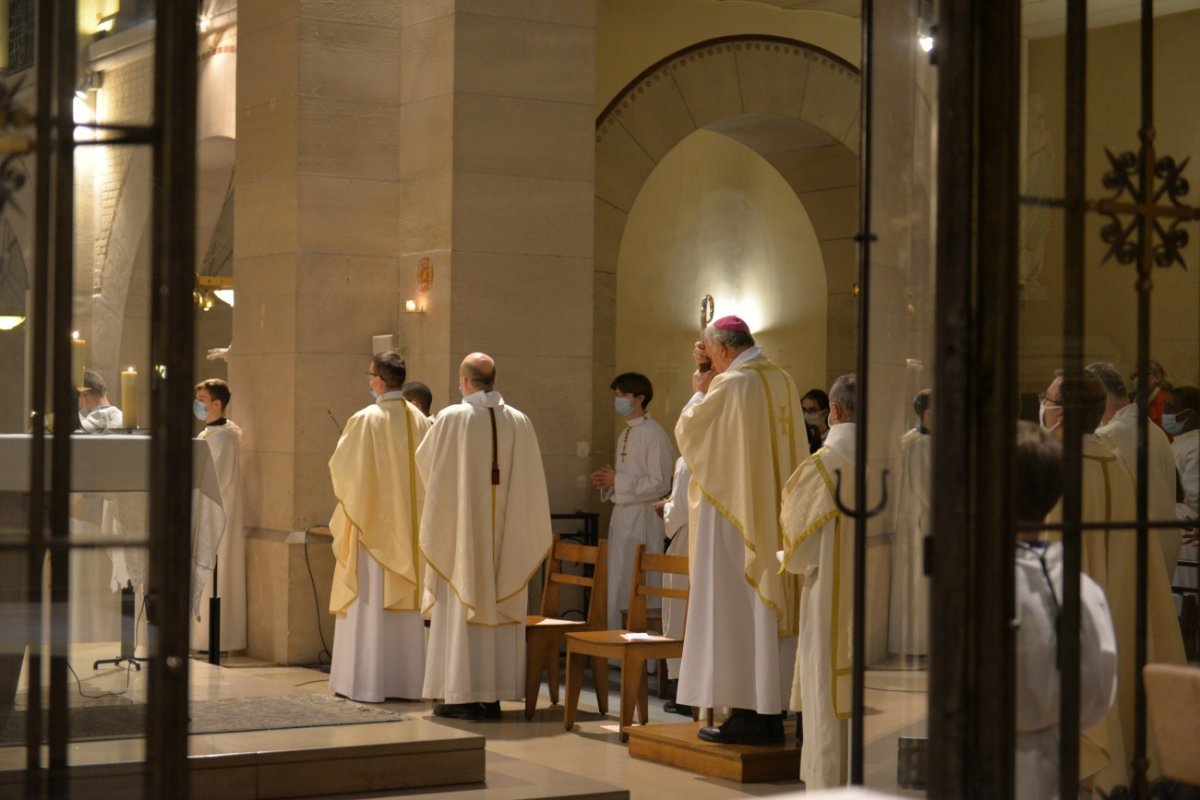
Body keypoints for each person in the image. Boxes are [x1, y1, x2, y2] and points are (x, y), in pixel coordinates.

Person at [1040, 370, 1185, 791]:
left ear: (1060, 413)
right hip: (1117, 607)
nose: (1042, 408)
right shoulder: (1112, 462)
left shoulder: (1059, 469)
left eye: (1046, 401)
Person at [675, 315, 803, 745]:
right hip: (773, 518)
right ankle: (768, 710)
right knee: (762, 615)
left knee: (734, 611)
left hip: (736, 521)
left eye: (710, 354)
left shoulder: (732, 385)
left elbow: (691, 434)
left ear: (724, 351)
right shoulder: (782, 379)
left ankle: (748, 715)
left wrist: (700, 387)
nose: (708, 361)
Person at [418, 353, 552, 720]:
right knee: (498, 605)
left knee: (464, 605)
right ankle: (492, 697)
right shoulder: (520, 422)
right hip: (508, 540)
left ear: (464, 381)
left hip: (464, 538)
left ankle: (461, 696)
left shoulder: (451, 419)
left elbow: (426, 469)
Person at [1012, 421, 1117, 800]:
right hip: (1055, 757)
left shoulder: (975, 586)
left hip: (980, 756)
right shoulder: (1082, 589)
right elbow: (1100, 694)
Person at [327, 352, 432, 702]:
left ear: (378, 380)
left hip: (371, 530)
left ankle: (364, 683)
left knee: (369, 607)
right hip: (411, 532)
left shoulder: (364, 419)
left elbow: (345, 473)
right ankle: (405, 682)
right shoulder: (420, 420)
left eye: (369, 374)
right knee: (402, 614)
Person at [780, 374, 856, 787]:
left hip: (830, 599)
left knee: (827, 695)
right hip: (881, 606)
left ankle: (828, 787)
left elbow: (798, 552)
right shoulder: (892, 461)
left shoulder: (823, 467)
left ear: (835, 411)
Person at [591, 372, 675, 630]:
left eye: (622, 396)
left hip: (643, 518)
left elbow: (660, 482)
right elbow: (625, 478)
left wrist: (619, 480)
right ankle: (616, 644)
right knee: (617, 577)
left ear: (639, 398)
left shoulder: (654, 434)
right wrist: (608, 482)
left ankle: (643, 649)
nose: (618, 401)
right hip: (622, 518)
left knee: (639, 579)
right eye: (616, 396)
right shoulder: (625, 434)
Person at [1088, 361, 1182, 577]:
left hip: (1131, 560)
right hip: (1162, 552)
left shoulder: (1107, 437)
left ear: (1100, 396)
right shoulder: (1155, 431)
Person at [189, 378, 247, 654]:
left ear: (217, 404)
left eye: (201, 399)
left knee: (216, 576)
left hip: (217, 515)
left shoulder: (224, 437)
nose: (197, 404)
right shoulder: (206, 435)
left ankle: (216, 638)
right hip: (203, 511)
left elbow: (215, 479)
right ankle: (198, 637)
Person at [889, 388, 931, 660]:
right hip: (922, 522)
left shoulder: (912, 440)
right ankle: (919, 644)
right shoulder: (919, 444)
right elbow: (927, 487)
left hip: (918, 522)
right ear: (928, 414)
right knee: (920, 584)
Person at [657, 454, 691, 716]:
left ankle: (683, 692)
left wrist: (665, 507)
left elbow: (678, 511)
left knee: (679, 615)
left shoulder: (686, 460)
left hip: (687, 542)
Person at [1164, 386, 1199, 605]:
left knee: (1186, 601)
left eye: (1171, 408)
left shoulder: (1196, 445)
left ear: (1190, 414)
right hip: (1178, 524)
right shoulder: (1181, 442)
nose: (1165, 414)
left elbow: (1195, 497)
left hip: (1188, 529)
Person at [801, 388, 830, 454]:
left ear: (825, 412)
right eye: (804, 410)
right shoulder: (801, 439)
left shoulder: (831, 440)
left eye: (812, 410)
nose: (806, 415)